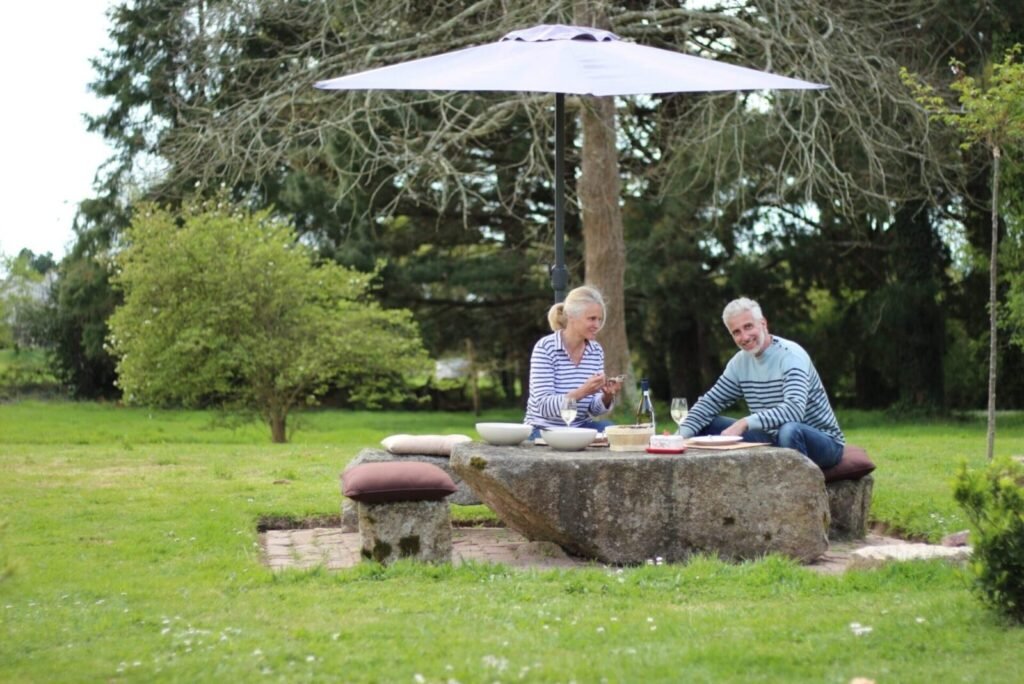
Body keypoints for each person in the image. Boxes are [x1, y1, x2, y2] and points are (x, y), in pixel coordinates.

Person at [677, 297, 845, 469]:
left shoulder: (791, 356)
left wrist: (744, 423)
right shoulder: (739, 363)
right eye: (736, 332)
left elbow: (794, 409)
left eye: (748, 326)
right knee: (707, 425)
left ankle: (795, 492)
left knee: (790, 430)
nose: (744, 336)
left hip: (824, 442)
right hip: (772, 438)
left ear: (763, 324)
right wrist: (677, 438)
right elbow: (710, 403)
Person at [524, 285, 623, 437]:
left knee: (610, 429)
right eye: (591, 319)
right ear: (571, 316)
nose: (597, 325)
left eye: (599, 319)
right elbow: (544, 406)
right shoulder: (545, 348)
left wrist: (607, 396)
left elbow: (592, 409)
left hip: (580, 428)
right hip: (543, 429)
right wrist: (583, 391)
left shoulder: (595, 351)